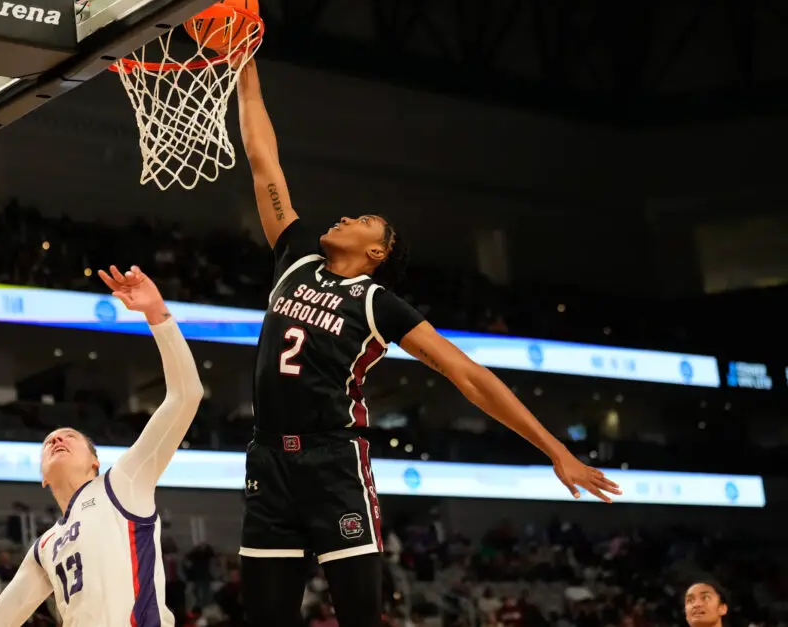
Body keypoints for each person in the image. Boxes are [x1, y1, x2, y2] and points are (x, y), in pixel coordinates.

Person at [234, 58, 623, 627]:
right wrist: (245, 69)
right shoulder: (295, 259)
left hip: (333, 463)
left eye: (362, 219)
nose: (344, 216)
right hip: (267, 460)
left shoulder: (377, 303)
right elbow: (262, 159)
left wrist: (555, 451)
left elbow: (470, 376)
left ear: (377, 252)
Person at [0, 265, 204, 627]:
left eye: (69, 436)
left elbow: (186, 395)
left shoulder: (122, 484)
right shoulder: (44, 547)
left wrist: (156, 313)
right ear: (43, 479)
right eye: (49, 441)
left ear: (95, 463)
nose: (56, 439)